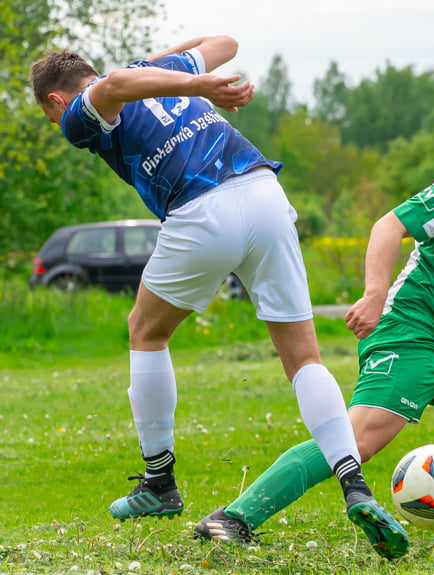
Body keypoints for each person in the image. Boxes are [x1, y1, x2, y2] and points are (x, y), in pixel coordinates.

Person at [29, 37, 407, 560]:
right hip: (265, 195)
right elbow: (223, 42)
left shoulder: (79, 111)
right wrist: (175, 69)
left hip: (203, 207)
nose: (60, 125)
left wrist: (194, 82)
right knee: (303, 359)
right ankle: (354, 486)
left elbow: (112, 85)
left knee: (146, 330)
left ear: (54, 101)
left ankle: (159, 482)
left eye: (52, 117)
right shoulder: (147, 73)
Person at [193, 100, 434, 544]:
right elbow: (388, 225)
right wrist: (374, 295)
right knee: (357, 441)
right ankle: (232, 518)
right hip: (410, 336)